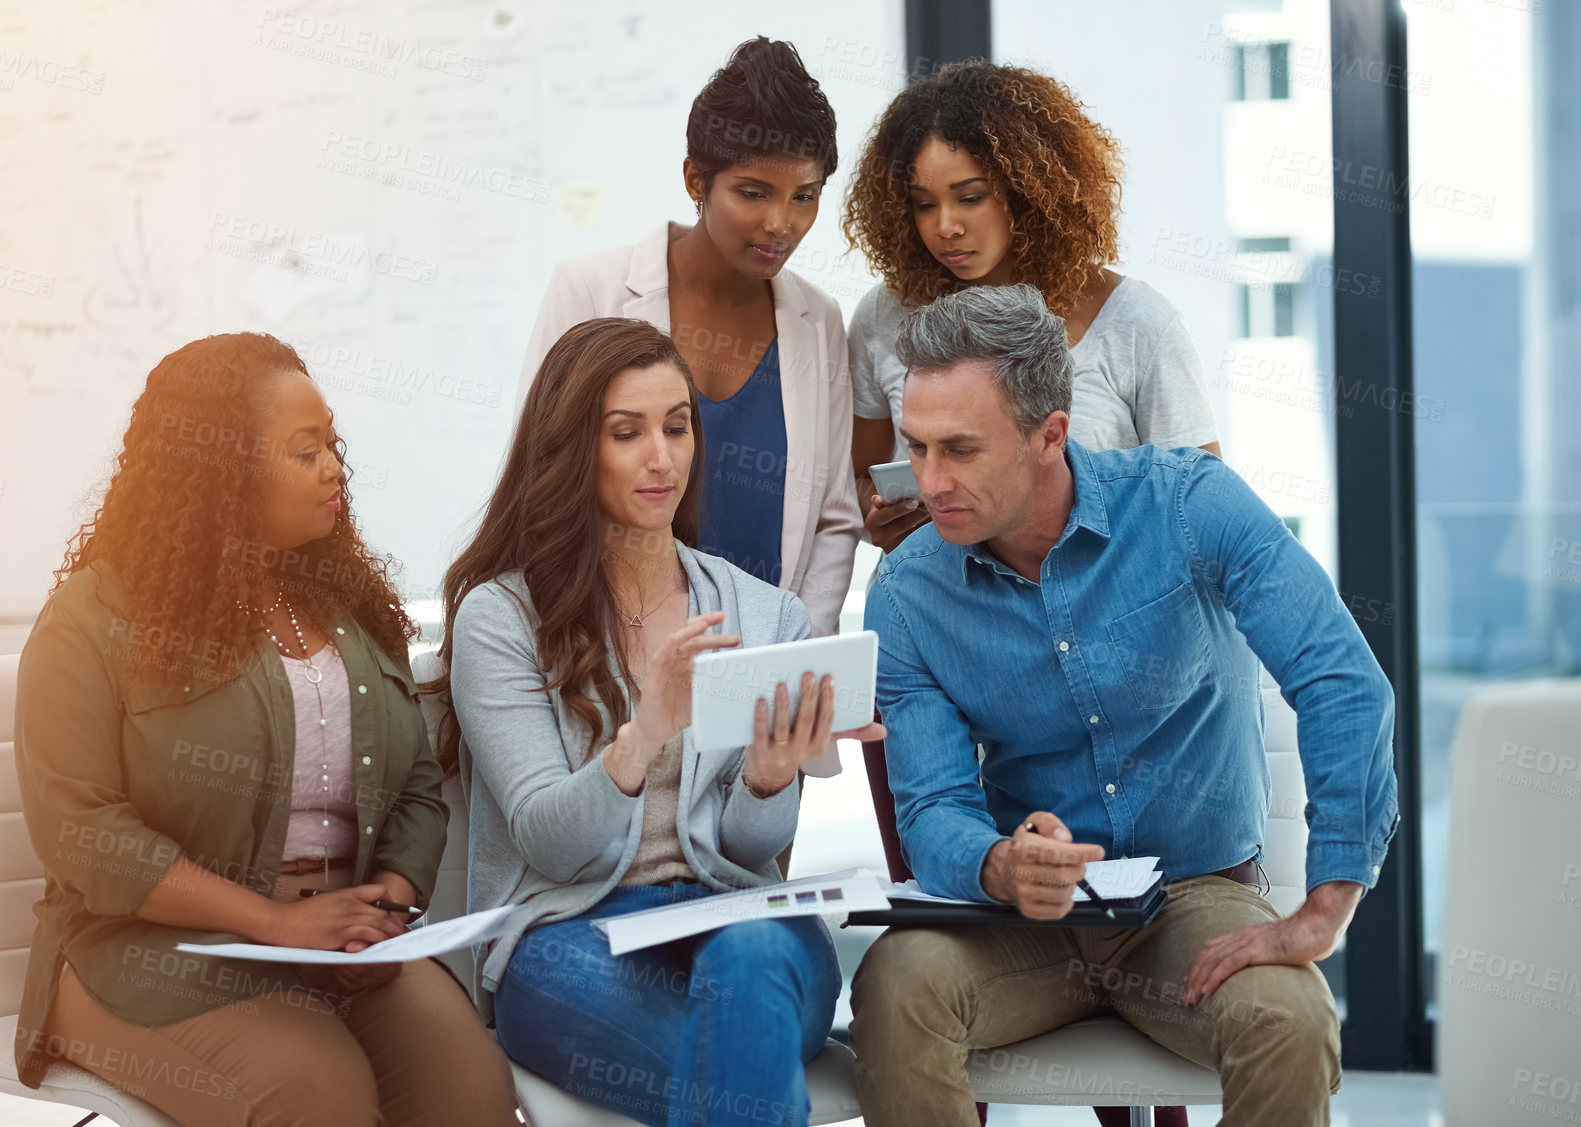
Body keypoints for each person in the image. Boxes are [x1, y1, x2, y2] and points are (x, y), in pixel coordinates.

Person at [847, 286, 1399, 1127]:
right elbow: (932, 806)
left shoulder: (1188, 505)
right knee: (894, 983)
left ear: (1051, 435)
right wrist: (998, 862)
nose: (930, 481)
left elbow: (1340, 679)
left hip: (1193, 902)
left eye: (959, 449)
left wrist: (1328, 904)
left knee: (1288, 1019)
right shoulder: (908, 592)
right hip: (1023, 924)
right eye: (917, 448)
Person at [12, 333, 516, 1126]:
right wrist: (277, 921)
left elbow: (418, 787)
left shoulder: (346, 601)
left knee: (473, 1091)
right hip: (148, 951)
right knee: (316, 1097)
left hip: (339, 939)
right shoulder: (94, 617)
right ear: (220, 469)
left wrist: (386, 897)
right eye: (304, 450)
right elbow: (81, 832)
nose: (334, 467)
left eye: (333, 443)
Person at [442, 318, 882, 1127]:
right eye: (627, 432)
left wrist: (768, 777)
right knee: (744, 1066)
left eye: (678, 426)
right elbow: (549, 842)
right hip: (571, 933)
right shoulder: (501, 616)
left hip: (740, 922)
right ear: (574, 447)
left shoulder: (765, 613)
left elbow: (752, 851)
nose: (662, 457)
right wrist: (643, 734)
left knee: (750, 972)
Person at [520, 38, 860, 713]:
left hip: (759, 695)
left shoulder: (817, 321)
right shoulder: (591, 290)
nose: (780, 223)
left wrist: (796, 665)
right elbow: (542, 480)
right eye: (754, 192)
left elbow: (833, 519)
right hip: (606, 676)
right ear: (695, 180)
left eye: (805, 196)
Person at [843, 60, 1221, 555]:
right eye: (924, 203)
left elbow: (1204, 509)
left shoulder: (1136, 324)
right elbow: (857, 479)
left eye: (971, 197)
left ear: (1027, 190)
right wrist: (883, 515)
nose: (946, 226)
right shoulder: (884, 315)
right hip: (938, 609)